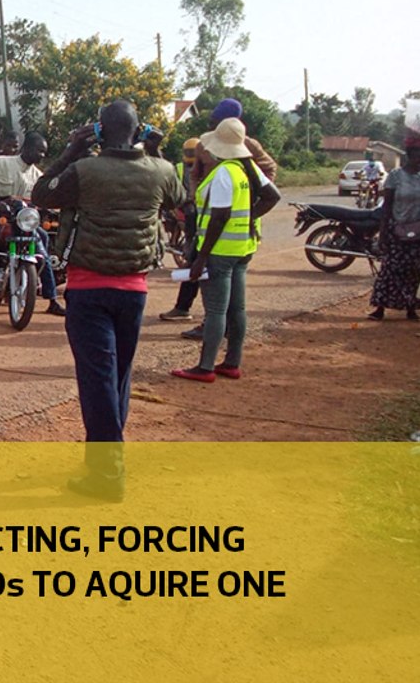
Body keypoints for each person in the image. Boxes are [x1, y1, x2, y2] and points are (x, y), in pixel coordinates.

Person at [32, 100, 184, 500]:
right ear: (138, 131)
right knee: (117, 380)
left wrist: (69, 152)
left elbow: (42, 194)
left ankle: (107, 474)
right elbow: (179, 198)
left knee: (98, 381)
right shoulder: (161, 171)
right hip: (133, 291)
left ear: (98, 131)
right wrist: (156, 151)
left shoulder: (84, 171)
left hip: (88, 290)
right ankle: (102, 464)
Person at [171, 118, 281, 383]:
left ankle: (205, 367)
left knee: (216, 310)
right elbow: (273, 196)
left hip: (219, 250)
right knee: (237, 308)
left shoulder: (223, 173)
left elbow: (219, 217)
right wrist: (248, 220)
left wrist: (202, 258)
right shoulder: (248, 167)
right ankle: (232, 362)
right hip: (242, 247)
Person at [0, 132, 65, 316]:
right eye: (39, 151)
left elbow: (45, 199)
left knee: (44, 240)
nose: (42, 156)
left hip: (24, 220)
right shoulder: (1, 163)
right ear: (27, 148)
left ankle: (51, 299)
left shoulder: (38, 176)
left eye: (44, 152)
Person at [367, 134, 420, 321]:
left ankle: (410, 309)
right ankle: (380, 308)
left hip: (417, 233)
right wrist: (383, 234)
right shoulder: (396, 177)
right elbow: (387, 206)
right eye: (417, 155)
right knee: (390, 269)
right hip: (396, 230)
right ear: (410, 155)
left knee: (413, 272)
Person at [159, 137, 202, 322]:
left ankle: (217, 321)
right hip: (189, 216)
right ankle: (183, 308)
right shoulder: (179, 168)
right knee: (193, 268)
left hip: (206, 225)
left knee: (202, 271)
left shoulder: (214, 169)